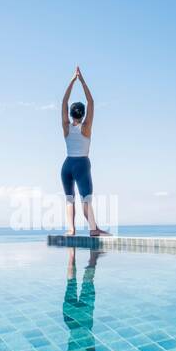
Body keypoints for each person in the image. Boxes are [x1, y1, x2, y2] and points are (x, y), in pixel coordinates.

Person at [60, 66, 109, 237]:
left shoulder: (66, 127)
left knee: (69, 199)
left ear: (71, 114)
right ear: (83, 114)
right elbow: (92, 102)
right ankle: (93, 229)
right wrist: (82, 80)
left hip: (67, 165)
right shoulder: (86, 128)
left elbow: (64, 102)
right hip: (81, 164)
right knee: (86, 198)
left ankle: (71, 229)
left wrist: (73, 80)